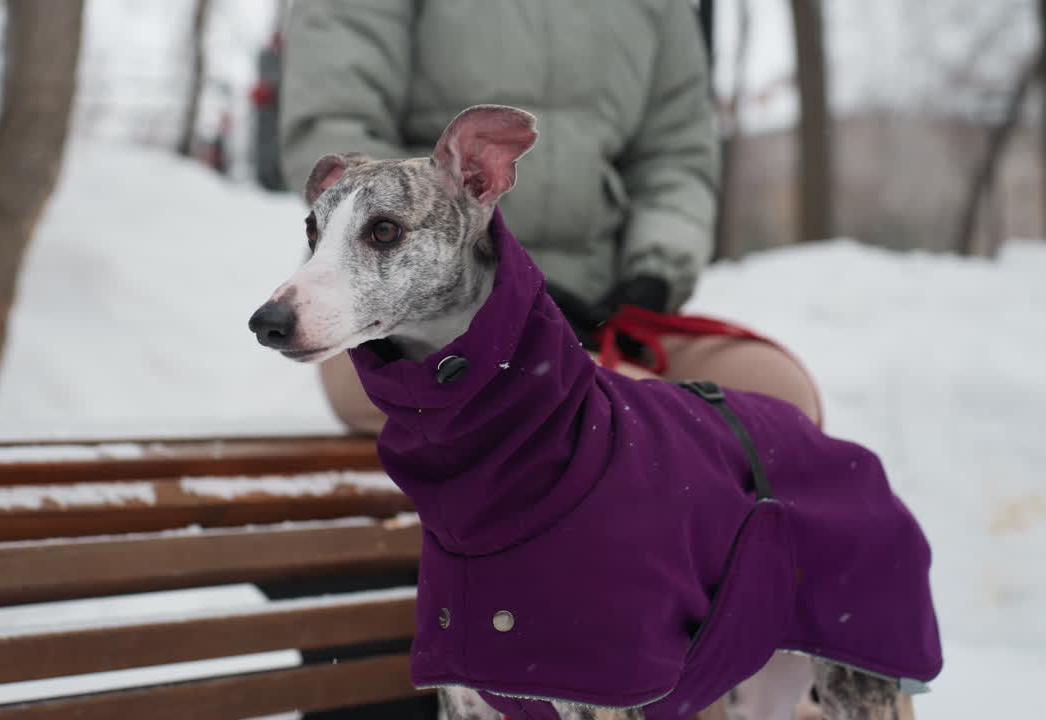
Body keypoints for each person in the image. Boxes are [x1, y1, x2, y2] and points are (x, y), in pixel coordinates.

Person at [277, 2, 823, 718]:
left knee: (773, 398)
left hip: (609, 302)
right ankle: (556, 657)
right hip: (427, 302)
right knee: (525, 411)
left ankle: (731, 665)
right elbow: (336, 123)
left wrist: (652, 273)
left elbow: (677, 155)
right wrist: (503, 279)